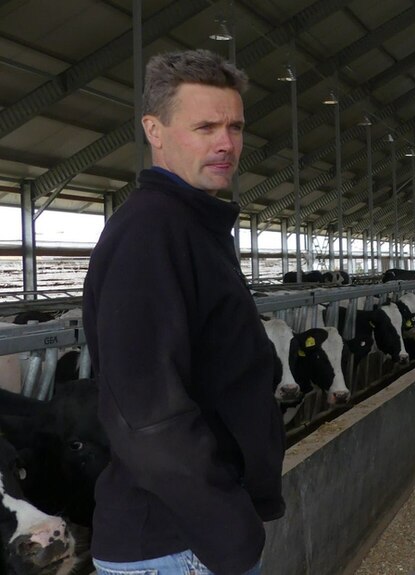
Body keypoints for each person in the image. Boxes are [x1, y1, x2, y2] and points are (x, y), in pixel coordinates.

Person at [82, 49, 285, 575]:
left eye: (235, 127)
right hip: (175, 546)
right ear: (155, 129)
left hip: (188, 540)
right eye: (205, 127)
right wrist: (228, 526)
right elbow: (149, 413)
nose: (226, 144)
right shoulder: (151, 233)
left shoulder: (193, 226)